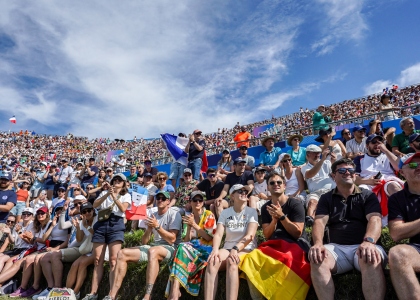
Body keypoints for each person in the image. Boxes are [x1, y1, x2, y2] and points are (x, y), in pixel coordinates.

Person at [309, 158, 387, 300]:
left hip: (364, 245)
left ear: (355, 174)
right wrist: (318, 243)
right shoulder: (326, 198)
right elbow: (319, 222)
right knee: (317, 258)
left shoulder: (367, 195)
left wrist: (369, 241)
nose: (347, 173)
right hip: (337, 249)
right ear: (333, 175)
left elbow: (375, 219)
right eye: (342, 170)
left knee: (370, 256)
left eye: (351, 170)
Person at [239, 172, 311, 300]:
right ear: (268, 187)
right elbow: (267, 235)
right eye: (272, 183)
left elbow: (297, 232)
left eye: (279, 182)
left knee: (287, 260)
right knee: (250, 259)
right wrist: (274, 221)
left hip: (296, 244)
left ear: (284, 186)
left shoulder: (295, 204)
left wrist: (282, 216)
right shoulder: (266, 207)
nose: (275, 184)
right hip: (275, 244)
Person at [105, 191, 182, 300]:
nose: (160, 200)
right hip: (154, 247)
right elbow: (144, 242)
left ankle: (147, 295)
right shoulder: (153, 215)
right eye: (158, 198)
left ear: (168, 201)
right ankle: (112, 295)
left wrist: (157, 227)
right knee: (122, 253)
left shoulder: (174, 214)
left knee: (153, 251)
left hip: (172, 248)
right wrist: (149, 229)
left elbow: (172, 239)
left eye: (163, 198)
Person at [204, 184, 258, 300]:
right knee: (213, 261)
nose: (244, 192)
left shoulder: (251, 212)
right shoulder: (225, 213)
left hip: (246, 249)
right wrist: (215, 249)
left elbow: (250, 236)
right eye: (240, 191)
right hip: (228, 248)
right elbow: (218, 234)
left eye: (245, 191)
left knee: (231, 261)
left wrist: (236, 248)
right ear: (232, 196)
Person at [84, 174, 131, 300]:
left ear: (124, 183)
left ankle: (111, 294)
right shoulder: (104, 192)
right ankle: (93, 293)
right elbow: (94, 205)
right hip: (101, 224)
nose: (116, 182)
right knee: (98, 259)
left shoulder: (126, 195)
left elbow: (123, 209)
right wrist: (106, 194)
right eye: (114, 180)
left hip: (116, 224)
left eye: (119, 180)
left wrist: (114, 197)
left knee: (113, 260)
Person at [165, 191, 216, 299]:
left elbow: (209, 237)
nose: (198, 202)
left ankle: (174, 292)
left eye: (200, 200)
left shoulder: (208, 215)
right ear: (190, 202)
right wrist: (188, 228)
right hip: (191, 246)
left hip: (205, 248)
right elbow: (186, 240)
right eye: (195, 200)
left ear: (203, 202)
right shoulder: (188, 216)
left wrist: (194, 225)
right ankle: (175, 291)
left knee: (181, 248)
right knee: (181, 247)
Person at [42, 202, 97, 300]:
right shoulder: (82, 221)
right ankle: (65, 291)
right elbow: (79, 239)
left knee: (81, 264)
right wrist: (79, 227)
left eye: (89, 210)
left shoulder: (97, 220)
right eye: (84, 212)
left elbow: (96, 234)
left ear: (93, 210)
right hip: (84, 249)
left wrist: (86, 226)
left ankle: (75, 292)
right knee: (75, 265)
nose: (87, 213)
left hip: (96, 249)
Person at [388, 152, 420, 298]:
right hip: (418, 250)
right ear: (401, 172)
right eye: (413, 165)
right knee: (397, 254)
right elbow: (396, 233)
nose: (419, 167)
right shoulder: (397, 199)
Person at [355, 134, 403, 226]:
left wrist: (385, 150)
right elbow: (355, 179)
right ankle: (366, 222)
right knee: (361, 191)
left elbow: (398, 167)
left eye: (379, 142)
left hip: (388, 180)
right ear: (367, 145)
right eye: (373, 142)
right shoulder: (360, 159)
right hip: (368, 182)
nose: (377, 144)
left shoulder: (388, 155)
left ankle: (403, 214)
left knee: (393, 186)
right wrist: (368, 181)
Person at [5, 206, 51, 298]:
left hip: (39, 249)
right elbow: (30, 241)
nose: (40, 215)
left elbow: (45, 240)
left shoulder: (46, 224)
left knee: (22, 261)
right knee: (10, 260)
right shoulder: (38, 226)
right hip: (34, 249)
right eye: (39, 213)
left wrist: (25, 235)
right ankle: (5, 284)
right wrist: (26, 236)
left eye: (42, 213)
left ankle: (27, 287)